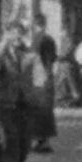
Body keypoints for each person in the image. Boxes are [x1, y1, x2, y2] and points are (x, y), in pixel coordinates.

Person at [0, 22, 35, 162]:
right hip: (6, 101)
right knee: (12, 137)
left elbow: (33, 74)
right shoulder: (1, 54)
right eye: (15, 33)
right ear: (8, 34)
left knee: (26, 139)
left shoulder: (26, 53)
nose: (18, 36)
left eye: (20, 33)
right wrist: (4, 43)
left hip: (24, 101)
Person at [28, 14, 58, 153]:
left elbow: (40, 60)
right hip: (46, 77)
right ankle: (44, 140)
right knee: (45, 110)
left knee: (40, 110)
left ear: (35, 25)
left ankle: (41, 140)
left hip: (39, 78)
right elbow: (51, 60)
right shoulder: (49, 39)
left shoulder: (36, 40)